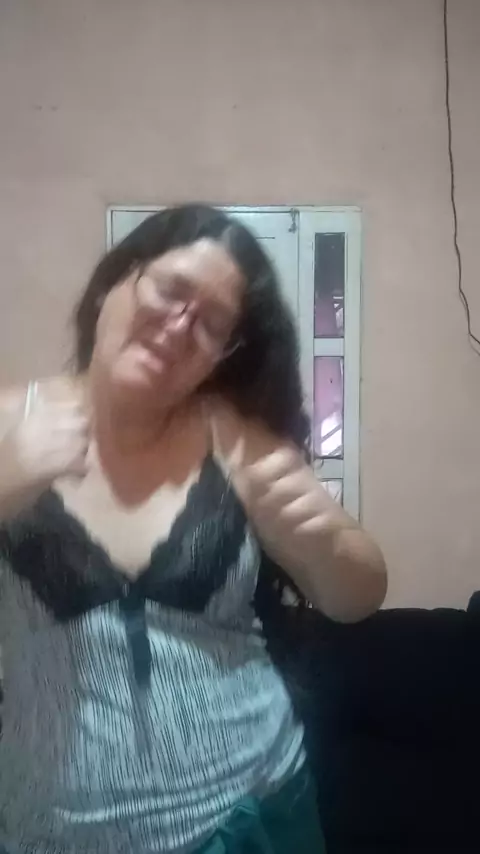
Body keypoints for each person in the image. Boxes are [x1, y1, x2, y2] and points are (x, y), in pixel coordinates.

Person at [0, 204, 387, 854]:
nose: (181, 325)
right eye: (171, 290)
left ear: (220, 355)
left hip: (252, 818)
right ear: (117, 279)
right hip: (53, 833)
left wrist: (324, 543)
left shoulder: (231, 436)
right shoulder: (11, 421)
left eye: (212, 324)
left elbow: (358, 596)